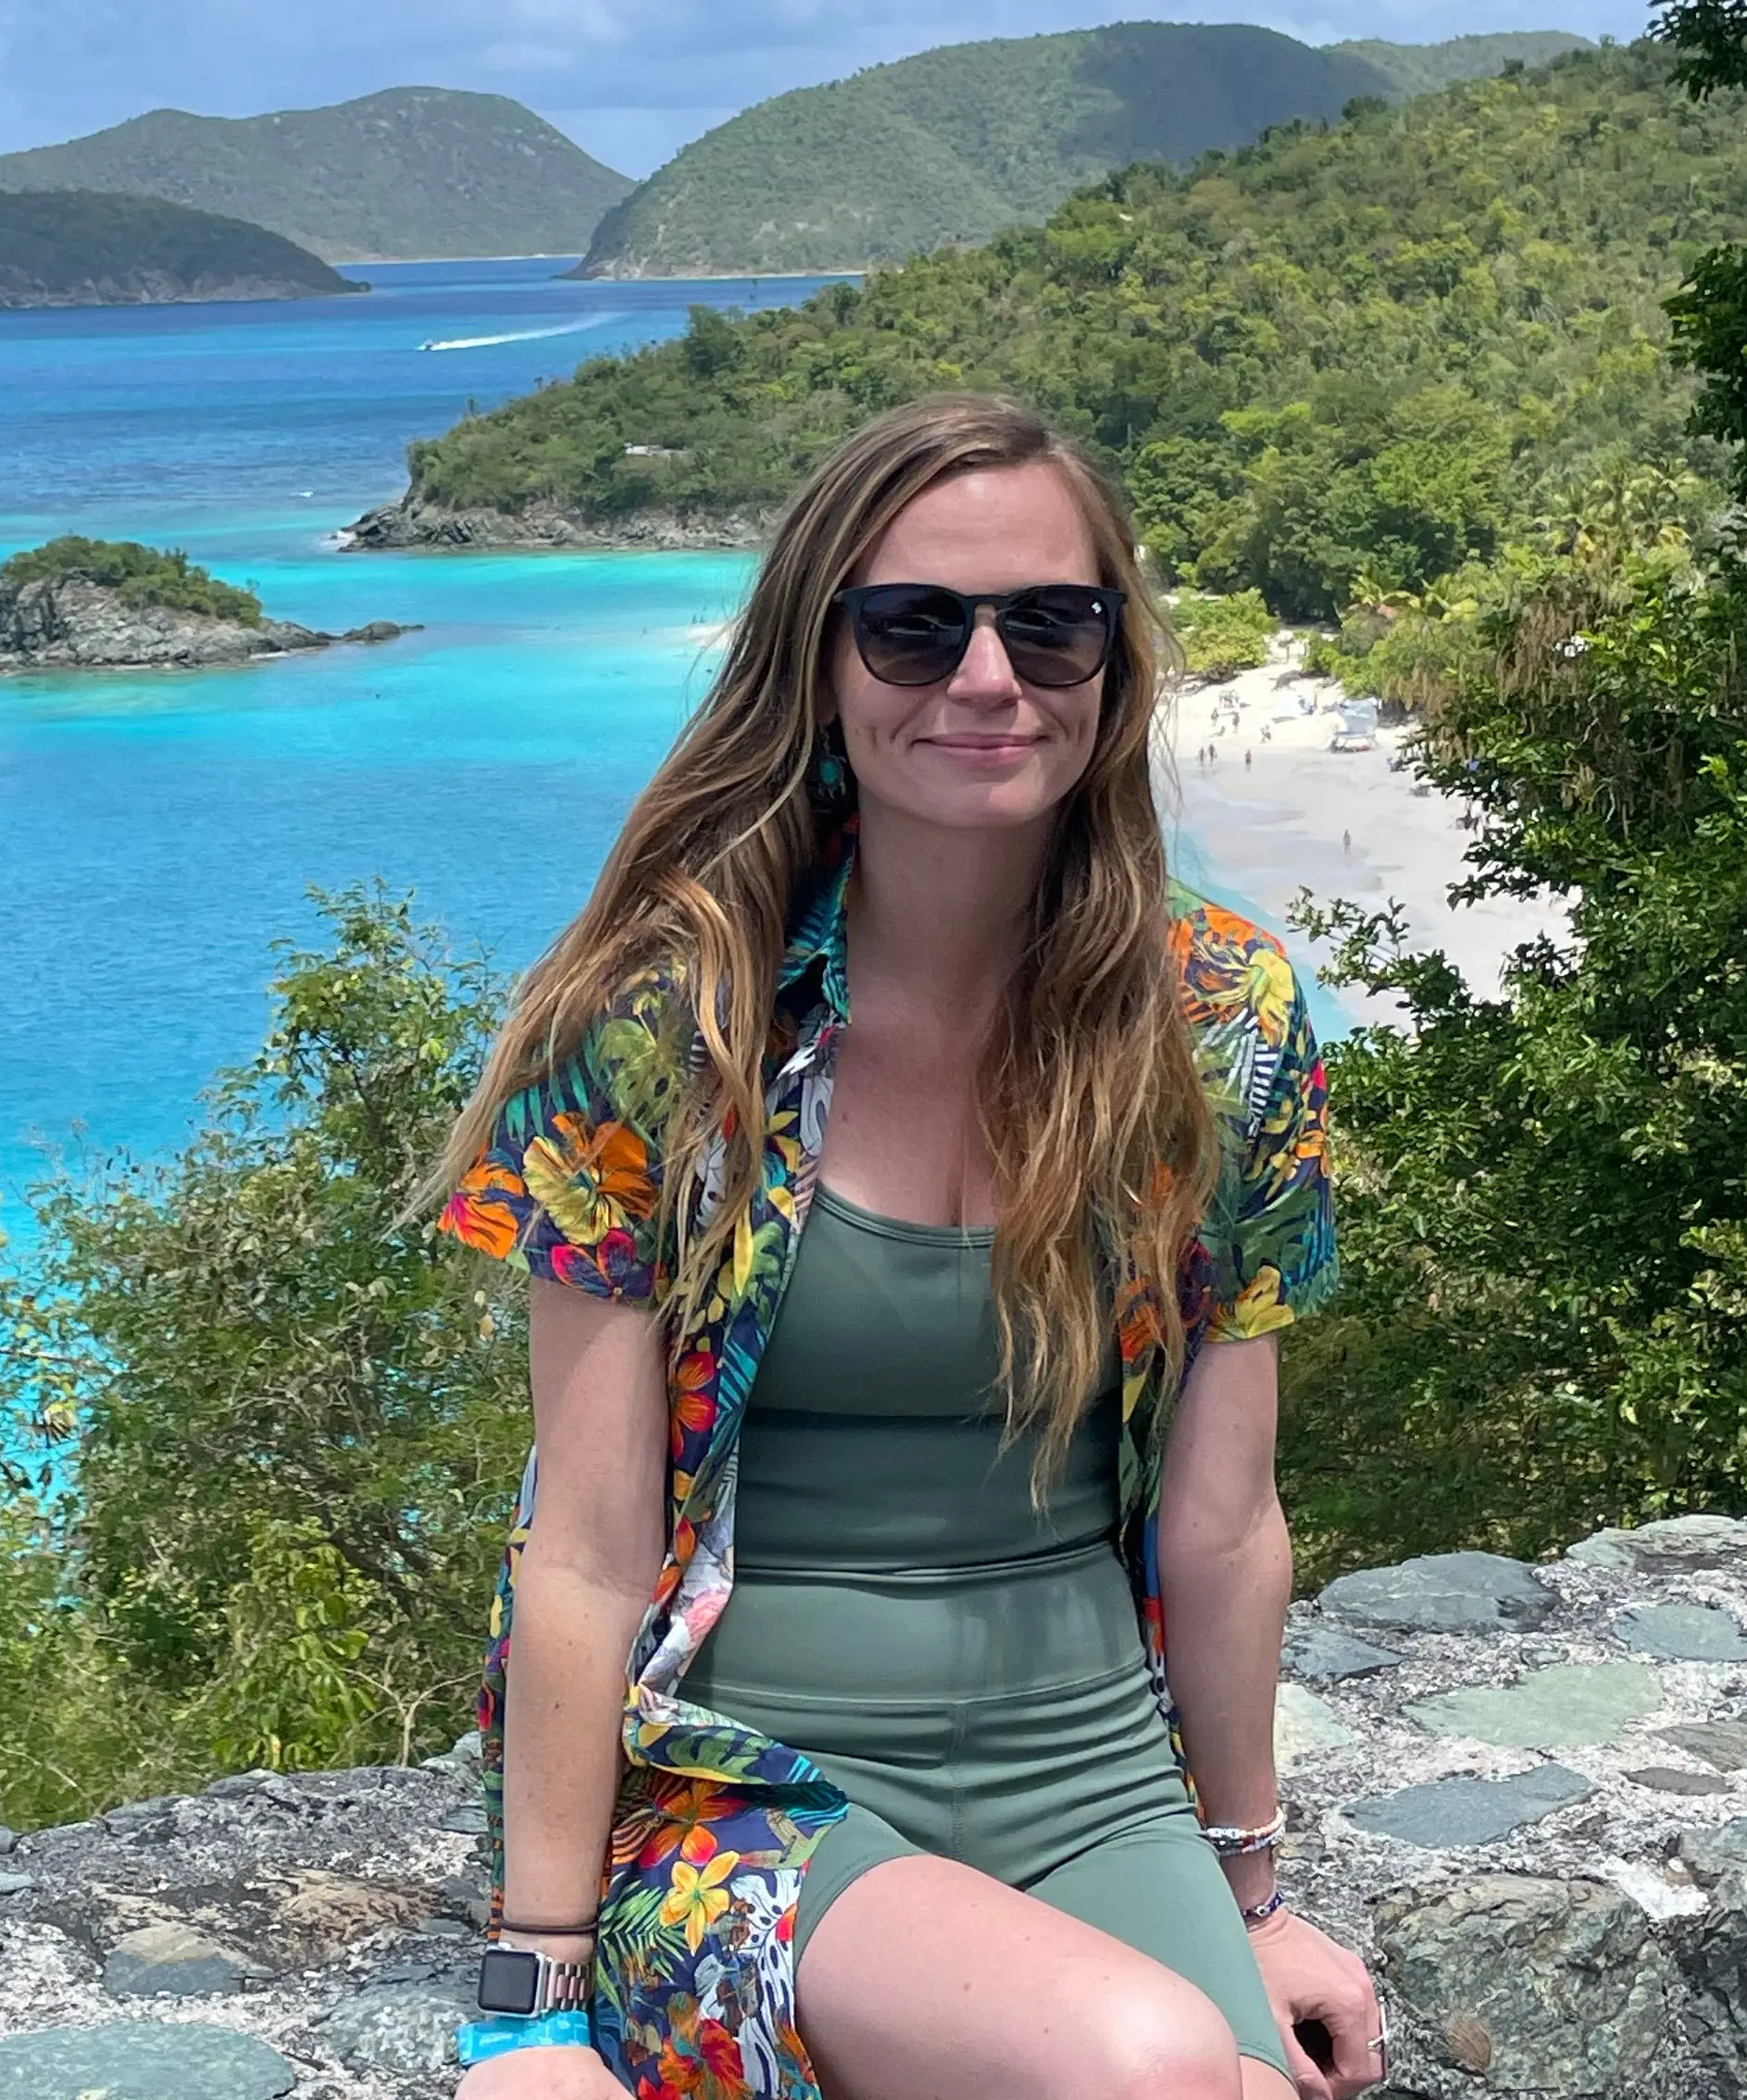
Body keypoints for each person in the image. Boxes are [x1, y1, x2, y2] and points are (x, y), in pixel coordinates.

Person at [436, 394, 1383, 2100]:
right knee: (1158, 2068)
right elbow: (576, 1545)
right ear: (822, 663)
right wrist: (529, 2004)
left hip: (1091, 1767)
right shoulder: (669, 1026)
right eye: (913, 626)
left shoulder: (1219, 1022)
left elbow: (1224, 1522)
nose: (988, 677)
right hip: (740, 1787)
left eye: (1051, 620)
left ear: (1114, 661)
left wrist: (1254, 1897)